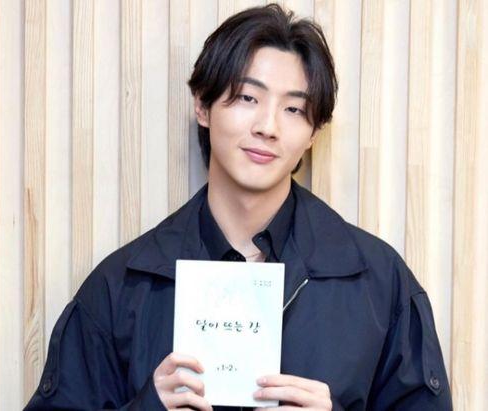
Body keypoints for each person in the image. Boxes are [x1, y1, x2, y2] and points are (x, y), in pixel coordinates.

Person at [25, 4, 453, 411]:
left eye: (293, 109)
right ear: (202, 105)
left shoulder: (379, 282)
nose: (268, 126)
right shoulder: (122, 286)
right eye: (248, 98)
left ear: (313, 133)